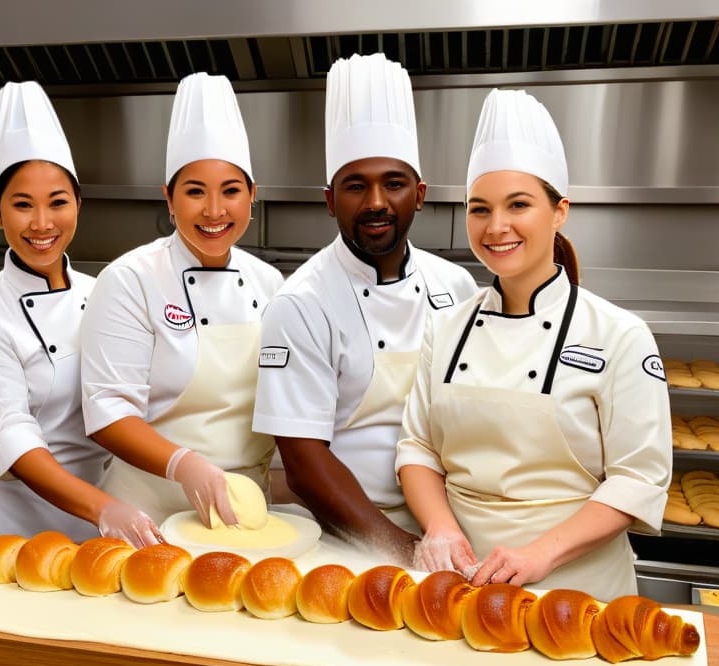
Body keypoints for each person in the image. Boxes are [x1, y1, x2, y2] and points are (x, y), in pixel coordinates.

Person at [395, 89, 671, 601]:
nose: (495, 227)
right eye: (480, 210)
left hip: (577, 588)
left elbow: (638, 478)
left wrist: (540, 554)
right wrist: (440, 528)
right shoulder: (446, 328)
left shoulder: (620, 335)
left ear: (560, 210)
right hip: (460, 580)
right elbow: (417, 447)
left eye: (518, 205)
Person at [252, 53, 477, 564]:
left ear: (418, 195)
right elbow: (306, 465)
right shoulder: (301, 304)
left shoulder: (458, 286)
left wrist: (446, 533)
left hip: (453, 529)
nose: (376, 201)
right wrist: (403, 551)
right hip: (347, 540)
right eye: (356, 186)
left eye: (393, 183)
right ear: (331, 200)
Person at [0, 81, 161, 546]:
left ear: (78, 205)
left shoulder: (107, 293)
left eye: (58, 203)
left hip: (105, 529)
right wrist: (103, 508)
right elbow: (11, 438)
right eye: (22, 205)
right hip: (11, 532)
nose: (43, 223)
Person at [80, 72, 284, 526]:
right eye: (195, 192)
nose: (214, 211)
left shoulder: (270, 285)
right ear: (169, 199)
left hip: (244, 513)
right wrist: (184, 464)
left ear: (252, 196)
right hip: (149, 509)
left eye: (231, 191)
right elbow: (108, 410)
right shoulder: (130, 279)